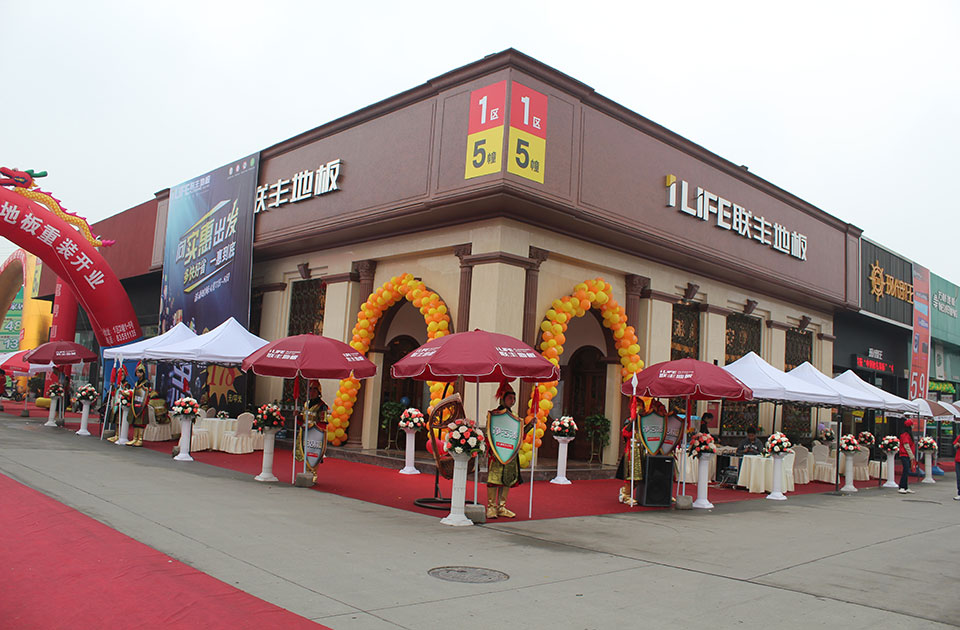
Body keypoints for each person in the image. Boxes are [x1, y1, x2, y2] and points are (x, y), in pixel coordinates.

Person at [486, 382, 524, 519]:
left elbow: (519, 435)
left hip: (510, 453)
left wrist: (531, 425)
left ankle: (502, 507)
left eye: (514, 398)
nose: (512, 401)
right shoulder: (494, 415)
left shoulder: (515, 417)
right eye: (510, 398)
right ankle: (491, 507)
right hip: (497, 452)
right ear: (503, 398)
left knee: (507, 479)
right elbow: (490, 433)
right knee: (494, 479)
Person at [127, 362, 151, 447]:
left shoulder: (146, 383)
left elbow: (147, 394)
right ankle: (134, 438)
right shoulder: (137, 382)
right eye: (137, 372)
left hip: (142, 405)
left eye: (140, 372)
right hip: (136, 403)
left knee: (141, 422)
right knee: (135, 422)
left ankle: (140, 439)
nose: (138, 374)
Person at [898, 419, 918, 494]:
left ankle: (905, 487)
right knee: (905, 470)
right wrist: (911, 455)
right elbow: (906, 446)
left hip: (907, 455)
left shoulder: (907, 435)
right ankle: (901, 486)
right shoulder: (905, 435)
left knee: (906, 471)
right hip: (904, 454)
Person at [952, 433, 960, 501]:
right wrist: (957, 445)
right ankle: (959, 493)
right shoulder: (959, 437)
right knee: (959, 477)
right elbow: (954, 446)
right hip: (958, 459)